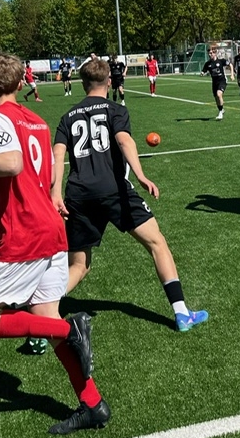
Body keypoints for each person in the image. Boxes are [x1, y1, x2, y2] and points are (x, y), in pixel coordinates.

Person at [0, 52, 110, 435]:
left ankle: (73, 330)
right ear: (21, 82)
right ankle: (93, 404)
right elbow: (28, 173)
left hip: (25, 233)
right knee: (46, 320)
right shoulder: (37, 120)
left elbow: (12, 163)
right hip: (52, 230)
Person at [52, 58, 209, 333]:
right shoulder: (116, 110)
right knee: (157, 244)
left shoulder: (67, 116)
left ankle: (43, 312)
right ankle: (182, 314)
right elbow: (124, 140)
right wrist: (141, 175)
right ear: (109, 82)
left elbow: (57, 154)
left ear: (82, 84)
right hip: (114, 189)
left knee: (79, 264)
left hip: (78, 194)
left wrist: (55, 192)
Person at [200, 49, 235, 120]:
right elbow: (204, 70)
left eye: (211, 53)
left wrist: (232, 75)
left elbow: (230, 65)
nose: (209, 55)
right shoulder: (208, 63)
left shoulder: (221, 61)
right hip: (214, 82)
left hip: (222, 81)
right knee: (216, 98)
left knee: (219, 94)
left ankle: (220, 112)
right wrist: (202, 73)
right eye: (209, 53)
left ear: (215, 53)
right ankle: (221, 109)